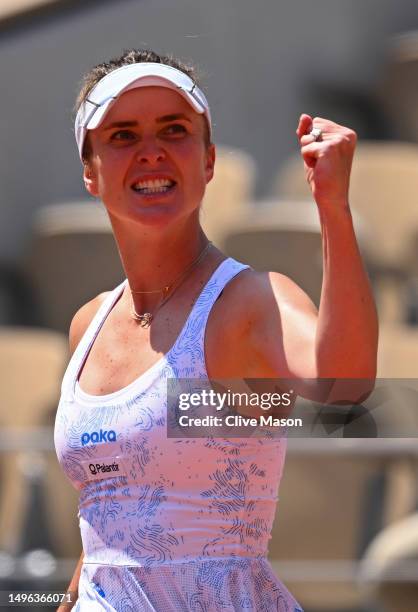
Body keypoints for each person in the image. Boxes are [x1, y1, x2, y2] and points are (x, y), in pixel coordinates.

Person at [54, 49, 378, 611]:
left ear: (208, 160)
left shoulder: (249, 301)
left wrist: (332, 206)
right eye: (124, 135)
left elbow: (345, 384)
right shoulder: (88, 322)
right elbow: (107, 518)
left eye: (173, 130)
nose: (151, 151)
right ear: (90, 171)